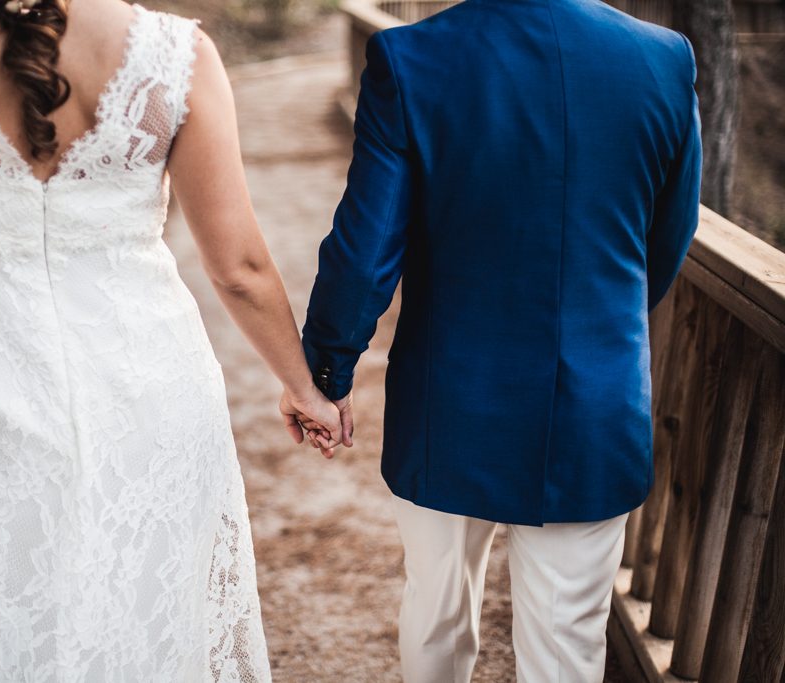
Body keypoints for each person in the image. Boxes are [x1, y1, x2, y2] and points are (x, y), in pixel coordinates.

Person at [0, 0, 341, 680]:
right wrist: (302, 385)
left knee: (1, 598)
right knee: (146, 605)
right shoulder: (179, 55)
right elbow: (240, 269)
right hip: (154, 385)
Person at [297, 0, 702, 680]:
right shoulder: (663, 58)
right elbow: (666, 241)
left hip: (450, 399)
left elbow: (365, 255)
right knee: (568, 643)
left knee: (436, 613)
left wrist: (328, 374)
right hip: (596, 404)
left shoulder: (414, 58)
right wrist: (601, 324)